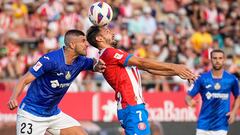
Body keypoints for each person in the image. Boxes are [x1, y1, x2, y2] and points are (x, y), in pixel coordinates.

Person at [86, 25, 198, 135]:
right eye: (107, 31)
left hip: (132, 105)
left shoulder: (110, 55)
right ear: (99, 38)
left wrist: (178, 72)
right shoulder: (109, 53)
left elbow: (148, 68)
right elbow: (142, 62)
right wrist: (175, 67)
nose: (113, 33)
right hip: (131, 105)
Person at [8, 29, 106, 135]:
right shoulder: (50, 60)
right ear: (72, 45)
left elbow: (94, 64)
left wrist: (98, 66)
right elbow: (24, 79)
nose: (86, 44)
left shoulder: (81, 61)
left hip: (52, 114)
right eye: (83, 41)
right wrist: (13, 97)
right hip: (31, 114)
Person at [185, 49, 240, 135]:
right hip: (203, 125)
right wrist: (189, 102)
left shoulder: (232, 79)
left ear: (224, 59)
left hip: (221, 126)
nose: (217, 61)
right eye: (215, 58)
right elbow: (188, 97)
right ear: (211, 59)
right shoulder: (202, 78)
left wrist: (234, 112)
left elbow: (238, 96)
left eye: (220, 58)